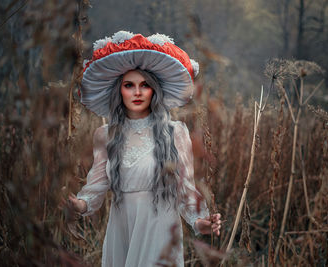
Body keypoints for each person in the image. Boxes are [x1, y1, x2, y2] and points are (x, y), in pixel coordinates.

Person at [63, 31, 222, 266]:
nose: (137, 92)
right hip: (121, 226)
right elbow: (95, 187)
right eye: (129, 85)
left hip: (160, 226)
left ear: (154, 90)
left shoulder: (174, 132)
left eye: (145, 85)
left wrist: (199, 222)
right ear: (120, 90)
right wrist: (79, 204)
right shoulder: (106, 135)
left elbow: (185, 189)